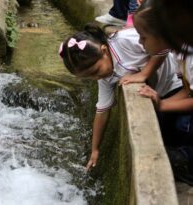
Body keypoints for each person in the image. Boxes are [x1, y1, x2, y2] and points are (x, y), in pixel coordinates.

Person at [58, 23, 182, 171]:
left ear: (104, 50)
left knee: (178, 129)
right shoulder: (105, 78)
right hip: (159, 94)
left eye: (96, 71)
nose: (96, 78)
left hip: (177, 82)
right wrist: (95, 149)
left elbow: (163, 44)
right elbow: (102, 112)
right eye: (89, 77)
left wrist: (144, 74)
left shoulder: (124, 41)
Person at [133, 0, 193, 184]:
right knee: (163, 120)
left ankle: (186, 162)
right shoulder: (180, 53)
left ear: (163, 33)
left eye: (143, 37)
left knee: (184, 124)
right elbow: (187, 89)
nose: (139, 42)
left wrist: (163, 104)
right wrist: (159, 105)